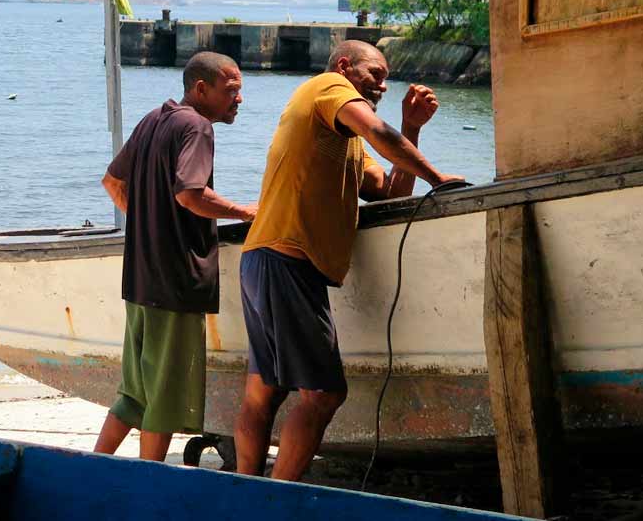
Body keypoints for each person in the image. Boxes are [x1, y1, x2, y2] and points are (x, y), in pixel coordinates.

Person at [234, 39, 463, 480]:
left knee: (264, 389)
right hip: (288, 260)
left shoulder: (344, 141)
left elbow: (392, 192)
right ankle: (276, 496)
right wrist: (438, 177)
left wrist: (411, 128)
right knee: (323, 393)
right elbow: (379, 132)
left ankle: (248, 489)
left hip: (264, 259)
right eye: (374, 75)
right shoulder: (327, 88)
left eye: (385, 79)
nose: (381, 85)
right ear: (344, 67)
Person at [93, 51, 257, 461]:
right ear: (201, 89)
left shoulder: (154, 119)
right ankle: (150, 484)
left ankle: (93, 466)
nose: (238, 100)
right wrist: (243, 211)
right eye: (231, 91)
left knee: (134, 393)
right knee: (164, 397)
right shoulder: (197, 127)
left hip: (140, 281)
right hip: (176, 284)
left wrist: (151, 219)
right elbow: (190, 194)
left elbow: (113, 181)